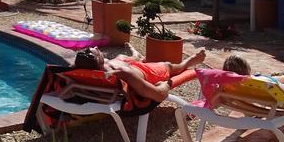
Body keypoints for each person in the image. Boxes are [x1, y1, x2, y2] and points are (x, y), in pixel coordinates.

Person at [75, 44, 206, 103]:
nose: (98, 48)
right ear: (98, 61)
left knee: (121, 57)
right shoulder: (123, 73)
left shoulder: (81, 71)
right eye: (97, 51)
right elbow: (157, 94)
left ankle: (136, 56)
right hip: (148, 73)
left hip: (128, 65)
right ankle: (188, 62)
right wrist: (166, 84)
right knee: (169, 66)